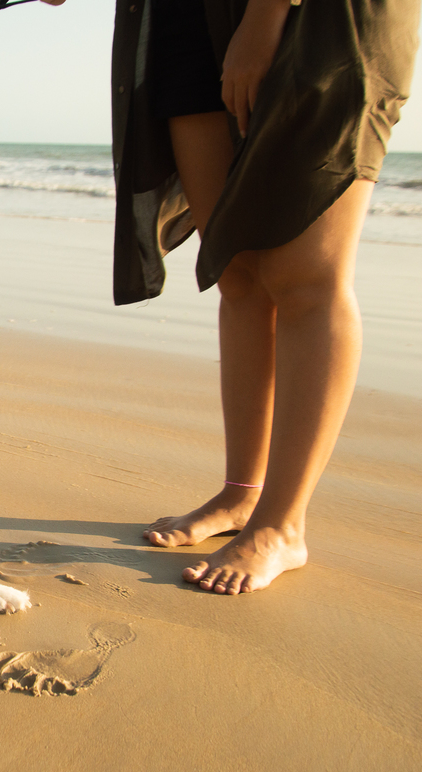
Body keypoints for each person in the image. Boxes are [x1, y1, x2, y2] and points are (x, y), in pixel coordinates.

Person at [42, 0, 419, 593]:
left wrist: (266, 15)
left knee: (305, 279)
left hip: (320, 20)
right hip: (184, 16)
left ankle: (283, 525)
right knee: (237, 272)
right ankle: (243, 494)